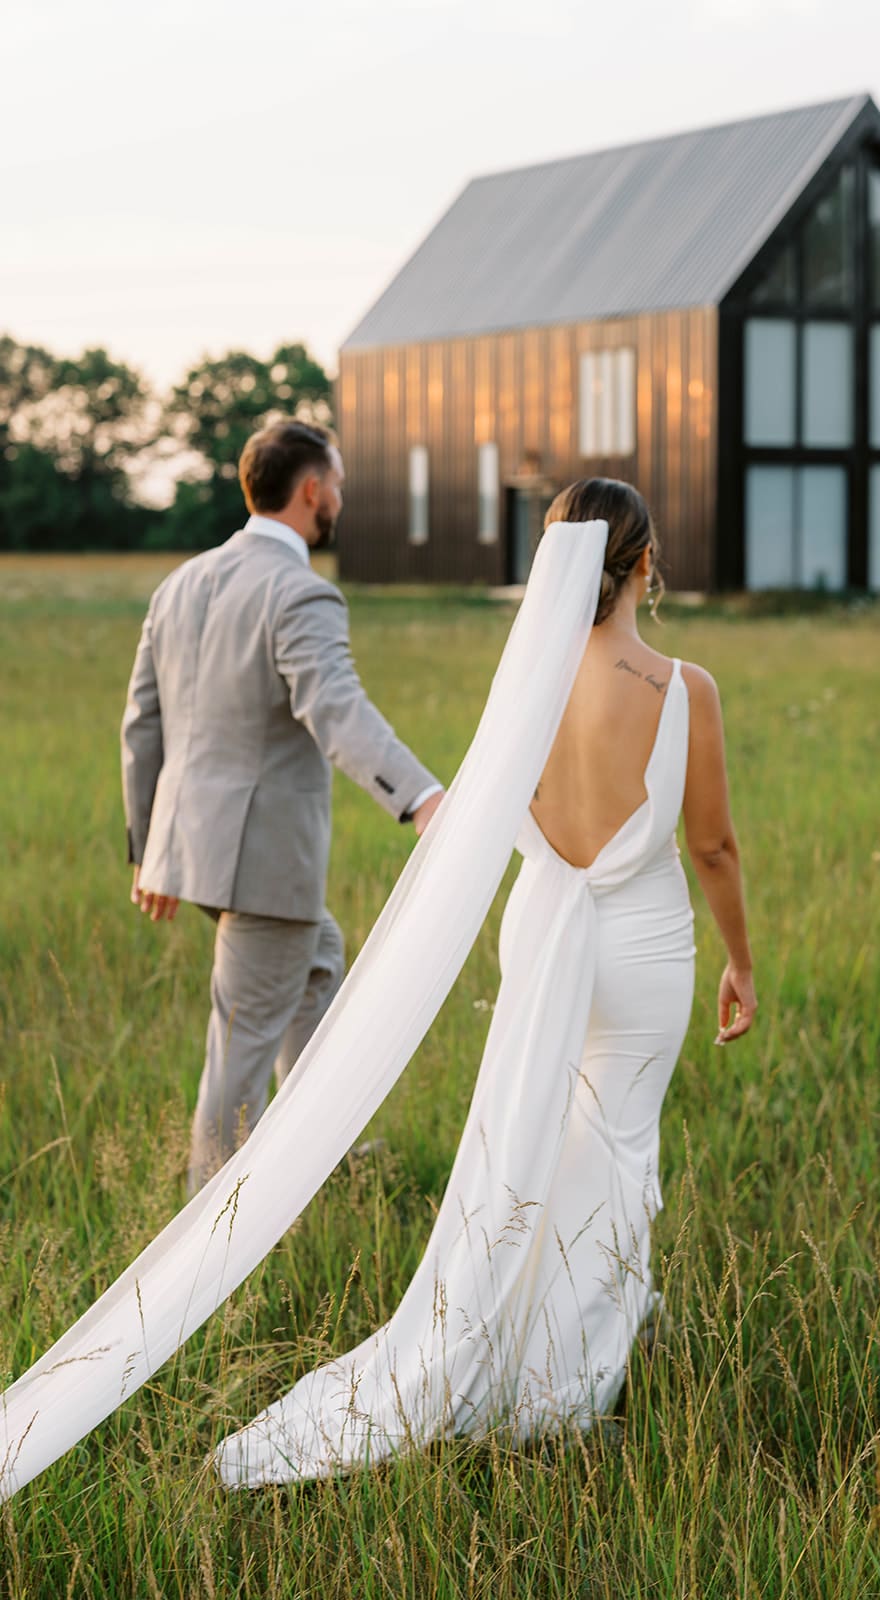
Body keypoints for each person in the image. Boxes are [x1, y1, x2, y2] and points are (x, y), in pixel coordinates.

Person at [0, 481, 753, 1500]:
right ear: (647, 565)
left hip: (541, 931)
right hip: (642, 944)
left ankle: (549, 1332)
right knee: (614, 1144)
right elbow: (709, 842)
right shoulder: (683, 687)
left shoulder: (524, 681)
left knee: (538, 1131)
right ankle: (572, 1381)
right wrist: (742, 961)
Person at [120, 420, 443, 1194]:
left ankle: (313, 1147)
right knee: (240, 1045)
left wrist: (149, 849)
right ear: (310, 491)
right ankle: (211, 1227)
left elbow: (141, 725)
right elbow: (337, 709)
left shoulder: (182, 583)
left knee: (319, 960)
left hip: (190, 853)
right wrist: (423, 798)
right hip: (259, 864)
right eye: (336, 484)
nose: (339, 497)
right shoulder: (299, 591)